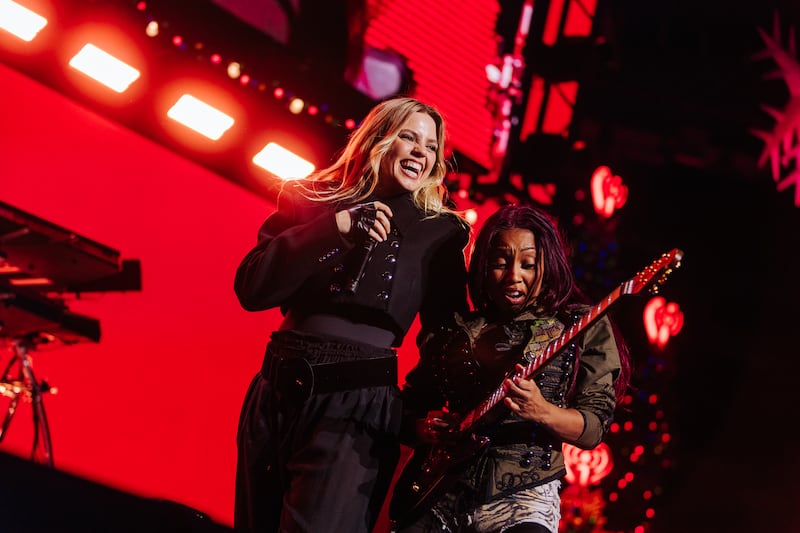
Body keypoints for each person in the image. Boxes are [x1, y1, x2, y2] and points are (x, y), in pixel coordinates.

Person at [232, 96, 471, 533]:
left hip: (359, 403)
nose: (421, 150)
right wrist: (335, 227)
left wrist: (413, 415)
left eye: (431, 146)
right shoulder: (309, 198)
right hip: (277, 386)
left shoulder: (441, 233)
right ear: (379, 139)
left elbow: (445, 336)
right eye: (408, 137)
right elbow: (252, 288)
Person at [392, 204, 631, 533]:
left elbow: (592, 429)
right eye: (500, 263)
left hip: (523, 501)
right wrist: (425, 427)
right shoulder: (456, 330)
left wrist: (542, 411)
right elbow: (407, 409)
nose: (514, 276)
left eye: (528, 264)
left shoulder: (578, 324)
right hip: (439, 495)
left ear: (547, 266)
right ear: (483, 267)